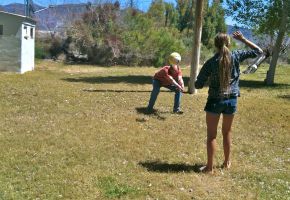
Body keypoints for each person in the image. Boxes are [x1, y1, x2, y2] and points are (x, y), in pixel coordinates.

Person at [195, 31, 263, 173]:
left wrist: (202, 79)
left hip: (214, 101)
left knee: (211, 136)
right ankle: (226, 163)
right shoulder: (236, 56)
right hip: (231, 101)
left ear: (215, 45)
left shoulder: (210, 62)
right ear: (229, 44)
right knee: (227, 132)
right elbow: (259, 51)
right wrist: (243, 39)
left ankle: (209, 168)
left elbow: (198, 85)